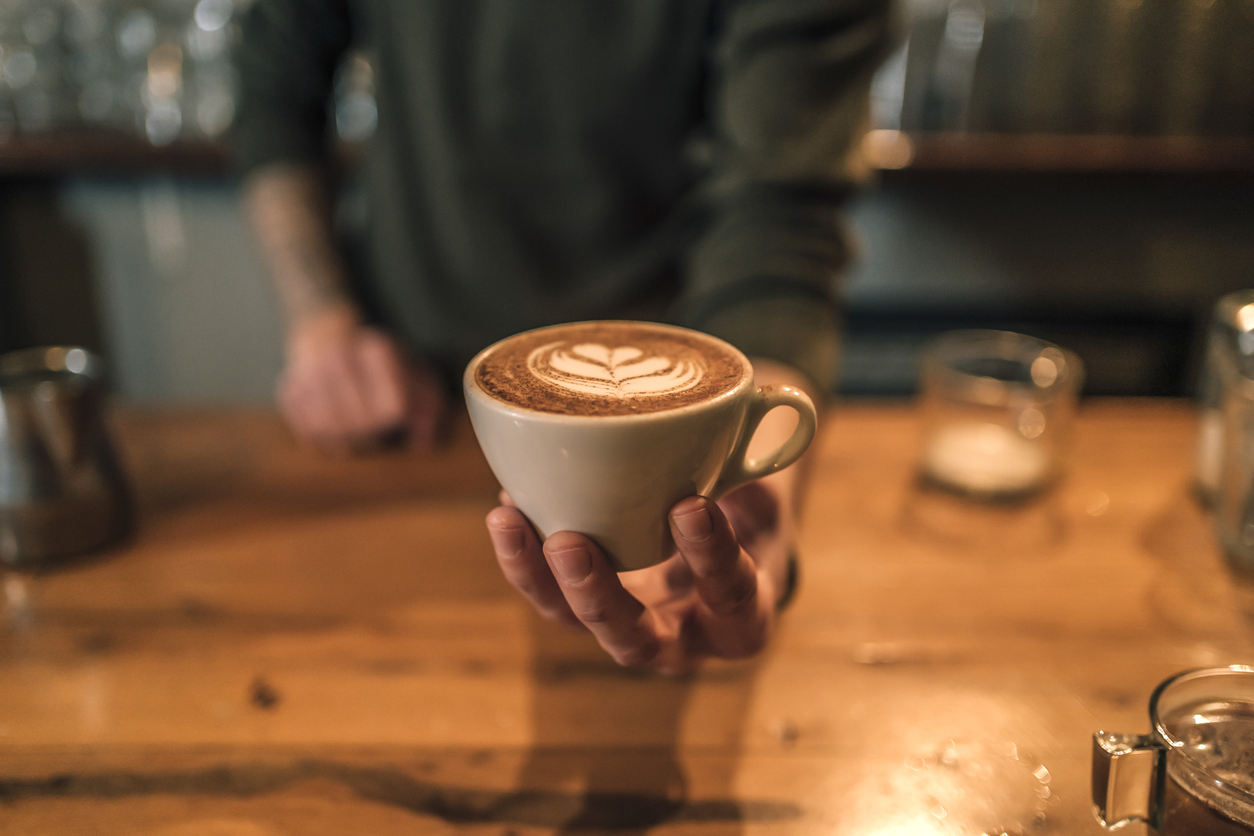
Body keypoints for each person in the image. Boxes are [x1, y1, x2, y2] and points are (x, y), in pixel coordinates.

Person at [235, 0, 895, 673]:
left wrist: (750, 481)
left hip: (667, 447)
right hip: (405, 408)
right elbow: (274, 79)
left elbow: (781, 204)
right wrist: (323, 321)